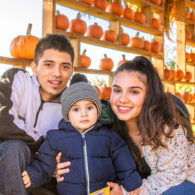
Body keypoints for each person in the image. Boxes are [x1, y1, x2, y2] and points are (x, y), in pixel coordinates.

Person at [21, 81, 142, 195]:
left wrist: (131, 181)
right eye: (76, 109)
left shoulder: (108, 135)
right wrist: (33, 175)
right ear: (67, 114)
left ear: (98, 110)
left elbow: (123, 160)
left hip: (103, 191)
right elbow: (44, 163)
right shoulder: (56, 138)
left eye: (89, 108)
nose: (84, 113)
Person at [108, 56, 195, 194]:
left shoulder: (168, 126)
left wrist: (125, 193)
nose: (122, 99)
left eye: (134, 91)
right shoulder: (109, 126)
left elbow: (172, 176)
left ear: (150, 95)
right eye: (117, 90)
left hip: (183, 183)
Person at [0, 34, 74, 195]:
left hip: (45, 171)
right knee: (13, 148)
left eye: (65, 67)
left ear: (72, 71)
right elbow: (3, 121)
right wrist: (41, 141)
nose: (57, 73)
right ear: (34, 67)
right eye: (49, 65)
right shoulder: (17, 79)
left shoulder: (72, 106)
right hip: (9, 161)